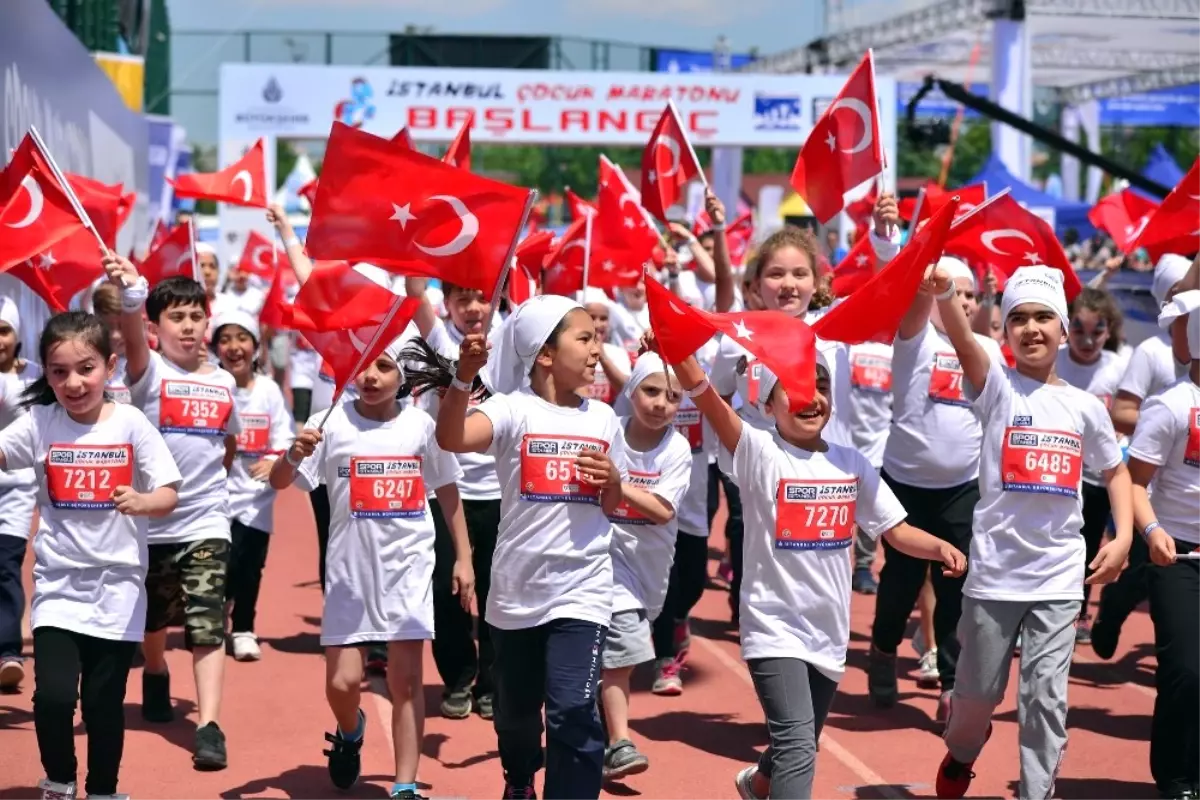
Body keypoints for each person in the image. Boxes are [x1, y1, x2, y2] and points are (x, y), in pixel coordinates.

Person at [668, 338, 963, 800]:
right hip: (772, 625)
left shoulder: (851, 464)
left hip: (827, 630)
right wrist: (674, 345)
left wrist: (940, 546)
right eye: (796, 387)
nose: (812, 396)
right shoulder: (759, 452)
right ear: (766, 403)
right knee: (799, 744)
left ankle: (756, 781)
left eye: (820, 384)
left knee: (797, 739)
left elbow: (897, 531)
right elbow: (705, 393)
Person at [925, 265, 1132, 800]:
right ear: (1006, 331)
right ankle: (963, 751)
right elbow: (961, 336)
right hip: (995, 576)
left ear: (1063, 329)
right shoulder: (996, 385)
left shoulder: (1086, 407)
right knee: (975, 697)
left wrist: (1124, 537)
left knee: (1044, 698)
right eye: (1019, 318)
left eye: (1044, 317)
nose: (1032, 328)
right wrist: (946, 291)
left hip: (1060, 577)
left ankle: (1037, 792)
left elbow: (1116, 471)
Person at [432, 295, 627, 800]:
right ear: (544, 354)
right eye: (583, 339)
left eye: (595, 338)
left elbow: (612, 502)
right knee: (517, 716)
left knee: (573, 711)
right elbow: (452, 437)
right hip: (516, 596)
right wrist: (461, 378)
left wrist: (614, 481)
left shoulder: (603, 418)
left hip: (583, 590)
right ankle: (519, 778)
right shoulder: (512, 409)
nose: (594, 349)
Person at [271, 335, 473, 800]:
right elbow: (284, 482)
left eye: (383, 366)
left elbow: (446, 490)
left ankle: (404, 785)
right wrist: (294, 453)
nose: (371, 376)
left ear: (402, 376)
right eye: (363, 365)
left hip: (408, 567)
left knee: (406, 681)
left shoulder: (421, 426)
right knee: (342, 684)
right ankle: (351, 729)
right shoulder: (329, 422)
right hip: (349, 573)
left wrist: (463, 556)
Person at [0, 311, 180, 800]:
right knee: (54, 697)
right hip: (59, 585)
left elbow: (167, 491)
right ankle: (59, 780)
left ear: (111, 366)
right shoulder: (39, 423)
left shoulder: (131, 423)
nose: (73, 383)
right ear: (45, 374)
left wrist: (143, 501)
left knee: (103, 702)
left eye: (86, 368)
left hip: (118, 588)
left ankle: (103, 790)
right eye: (59, 372)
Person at [106, 254, 243, 769]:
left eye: (196, 317)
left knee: (208, 623)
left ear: (208, 321)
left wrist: (210, 492)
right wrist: (132, 294)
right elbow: (131, 338)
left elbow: (225, 449)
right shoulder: (149, 372)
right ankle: (157, 671)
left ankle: (209, 725)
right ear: (157, 327)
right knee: (155, 623)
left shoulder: (226, 382)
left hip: (207, 521)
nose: (188, 327)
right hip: (148, 525)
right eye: (176, 318)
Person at [600, 352, 692, 780]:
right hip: (600, 559)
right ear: (630, 391)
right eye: (651, 391)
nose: (660, 403)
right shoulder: (606, 432)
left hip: (649, 568)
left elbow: (662, 510)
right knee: (619, 651)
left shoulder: (676, 449)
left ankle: (597, 728)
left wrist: (618, 484)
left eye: (672, 397)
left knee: (619, 649)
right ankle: (620, 741)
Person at [1126, 289, 1200, 799]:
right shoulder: (1171, 405)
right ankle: (1175, 776)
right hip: (1178, 555)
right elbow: (1133, 483)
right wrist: (1152, 533)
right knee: (1187, 670)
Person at [211, 311, 293, 661]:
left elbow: (283, 435)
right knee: (219, 562)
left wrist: (273, 460)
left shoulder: (269, 391)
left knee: (250, 564)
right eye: (225, 339)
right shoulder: (210, 386)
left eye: (242, 338)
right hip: (214, 494)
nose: (234, 347)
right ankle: (213, 619)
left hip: (256, 497)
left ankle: (244, 627)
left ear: (256, 347)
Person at [1054, 287, 1126, 643]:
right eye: (1079, 329)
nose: (1087, 339)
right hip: (1056, 470)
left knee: (1090, 544)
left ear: (1109, 330)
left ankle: (1080, 612)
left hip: (1098, 477)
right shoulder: (1054, 359)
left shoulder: (1120, 367)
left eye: (1097, 330)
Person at [0, 295, 42, 691]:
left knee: (6, 568)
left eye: (4, 330)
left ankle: (8, 652)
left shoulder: (33, 381)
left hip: (14, 494)